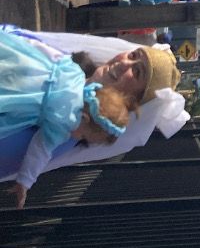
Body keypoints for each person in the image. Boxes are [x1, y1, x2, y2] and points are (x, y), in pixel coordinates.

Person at [0, 32, 186, 190]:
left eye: (137, 72)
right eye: (132, 55)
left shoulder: (66, 129)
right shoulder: (70, 66)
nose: (124, 63)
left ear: (133, 102)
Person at [0, 27, 137, 206]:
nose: (78, 138)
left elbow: (47, 51)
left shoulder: (75, 73)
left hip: (23, 63)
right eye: (83, 136)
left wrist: (18, 42)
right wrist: (25, 181)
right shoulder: (65, 123)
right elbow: (39, 150)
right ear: (84, 118)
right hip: (16, 99)